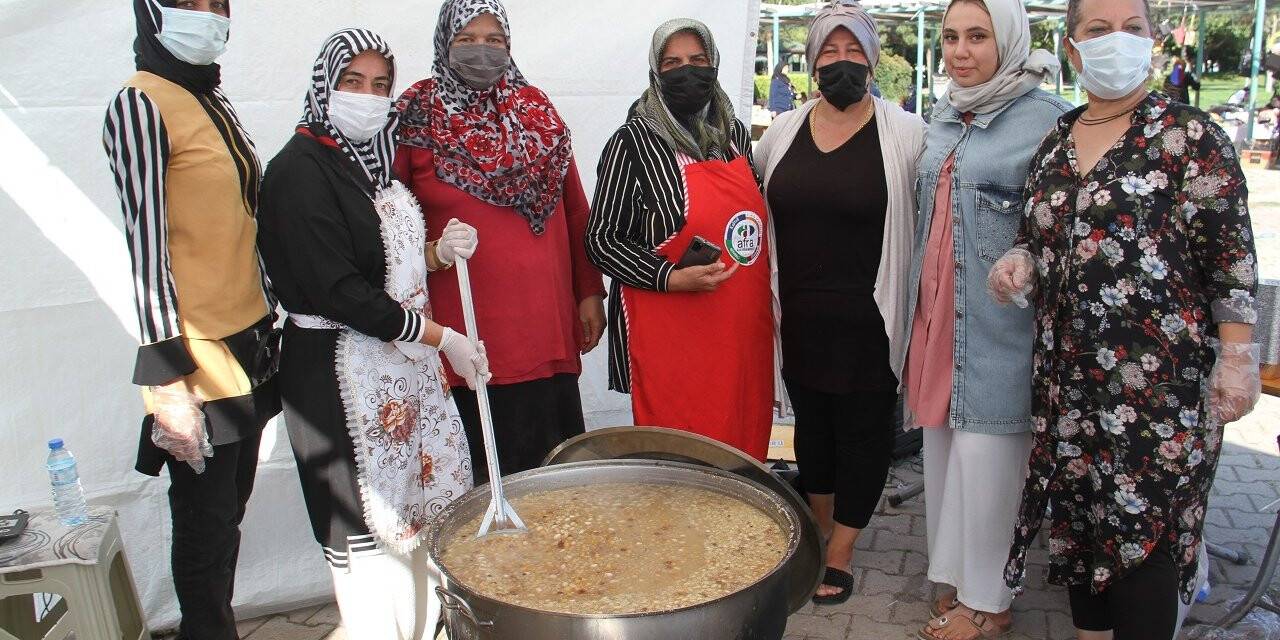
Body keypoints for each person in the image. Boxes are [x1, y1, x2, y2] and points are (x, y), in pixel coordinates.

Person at [991, 1, 1261, 638]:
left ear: (1154, 41)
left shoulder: (1190, 137)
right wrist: (1020, 263)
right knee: (1083, 534)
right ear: (1073, 46)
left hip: (1158, 395)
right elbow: (1037, 235)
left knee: (1143, 543)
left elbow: (1231, 262)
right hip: (1069, 387)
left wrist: (1238, 358)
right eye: (1098, 29)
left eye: (1132, 29)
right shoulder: (1056, 142)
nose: (1118, 41)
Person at [257, 29, 489, 639]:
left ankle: (424, 627)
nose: (368, 97)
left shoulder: (366, 165)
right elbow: (342, 292)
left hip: (399, 372)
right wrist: (444, 338)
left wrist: (437, 252)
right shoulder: (299, 172)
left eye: (380, 85)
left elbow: (377, 261)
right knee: (369, 536)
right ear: (323, 86)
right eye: (351, 82)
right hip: (340, 375)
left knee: (418, 521)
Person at [102, 1, 280, 637]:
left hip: (249, 340)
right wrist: (168, 383)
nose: (205, 16)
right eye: (187, 3)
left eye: (216, 5)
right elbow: (146, 253)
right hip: (197, 354)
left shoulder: (209, 97)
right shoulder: (140, 103)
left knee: (229, 513)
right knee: (204, 528)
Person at [902, 0, 1071, 637]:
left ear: (1009, 40)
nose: (960, 51)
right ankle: (958, 582)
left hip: (1000, 332)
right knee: (945, 459)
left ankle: (991, 603)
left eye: (978, 36)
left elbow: (1064, 224)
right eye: (950, 37)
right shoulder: (945, 116)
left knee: (992, 465)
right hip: (940, 322)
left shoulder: (1048, 122)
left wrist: (1026, 257)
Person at [753, 0, 925, 605]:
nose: (842, 63)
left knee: (862, 434)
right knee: (812, 434)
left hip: (870, 320)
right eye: (830, 52)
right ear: (811, 61)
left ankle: (844, 548)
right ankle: (819, 528)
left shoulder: (904, 133)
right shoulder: (781, 132)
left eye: (854, 52)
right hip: (800, 318)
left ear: (874, 60)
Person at [395, 0, 606, 485]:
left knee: (553, 485)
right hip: (465, 339)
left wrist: (589, 292)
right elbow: (390, 220)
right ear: (444, 42)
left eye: (494, 40)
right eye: (466, 39)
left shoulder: (536, 110)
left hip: (545, 328)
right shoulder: (415, 114)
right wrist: (431, 256)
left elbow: (575, 208)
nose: (481, 51)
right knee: (484, 487)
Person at [586, 18, 772, 460]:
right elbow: (601, 239)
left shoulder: (734, 137)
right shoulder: (631, 144)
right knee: (680, 460)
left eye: (697, 60)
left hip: (740, 335)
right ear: (655, 72)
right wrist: (670, 277)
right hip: (672, 340)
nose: (687, 72)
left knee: (742, 453)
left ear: (714, 64)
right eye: (673, 63)